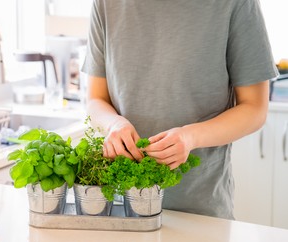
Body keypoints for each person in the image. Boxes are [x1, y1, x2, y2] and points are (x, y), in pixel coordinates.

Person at [81, 0, 279, 219]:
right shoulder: (106, 3)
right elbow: (96, 99)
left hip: (200, 209)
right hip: (121, 206)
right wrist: (113, 124)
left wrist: (190, 137)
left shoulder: (236, 3)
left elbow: (255, 107)